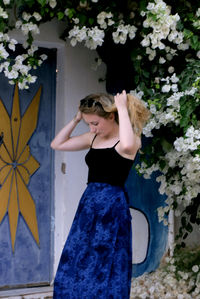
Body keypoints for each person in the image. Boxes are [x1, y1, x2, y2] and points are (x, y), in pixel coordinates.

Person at [51, 90, 150, 299]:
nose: (92, 128)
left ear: (111, 116)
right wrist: (76, 119)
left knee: (106, 258)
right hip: (88, 205)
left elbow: (128, 145)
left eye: (95, 123)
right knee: (78, 256)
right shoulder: (93, 138)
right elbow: (57, 144)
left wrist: (122, 108)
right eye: (89, 124)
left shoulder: (130, 141)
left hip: (112, 207)